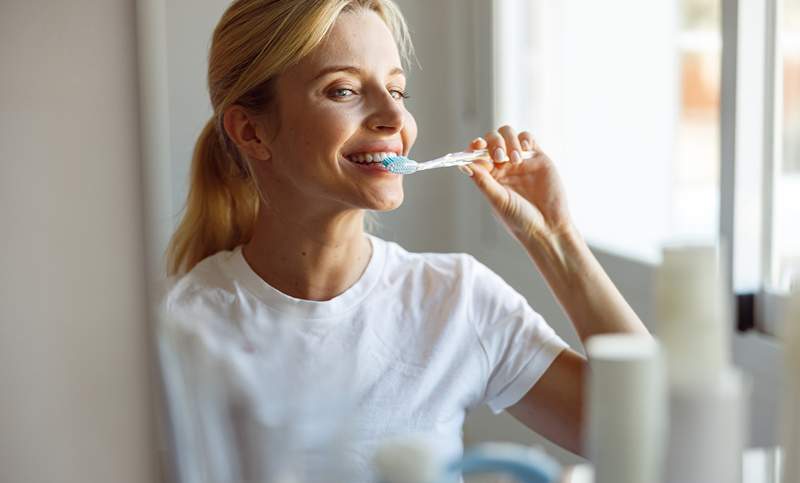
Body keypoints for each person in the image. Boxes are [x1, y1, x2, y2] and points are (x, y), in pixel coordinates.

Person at [161, 0, 650, 481]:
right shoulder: (187, 328)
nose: (394, 118)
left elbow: (651, 435)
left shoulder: (456, 300)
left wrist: (554, 239)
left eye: (397, 90)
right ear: (251, 131)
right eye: (344, 91)